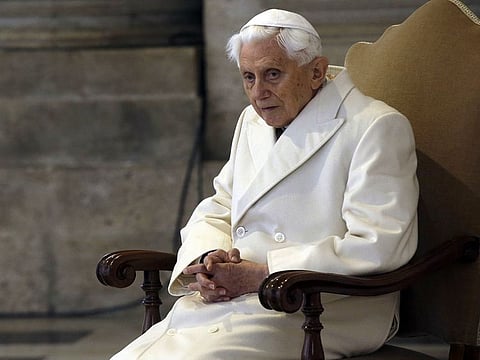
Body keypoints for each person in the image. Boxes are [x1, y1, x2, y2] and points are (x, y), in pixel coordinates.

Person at [111, 8, 418, 360]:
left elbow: (379, 245)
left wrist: (262, 274)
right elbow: (221, 204)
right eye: (248, 77)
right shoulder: (252, 122)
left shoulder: (374, 126)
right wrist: (208, 260)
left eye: (272, 74)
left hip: (319, 307)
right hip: (238, 299)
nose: (259, 93)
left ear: (316, 71)